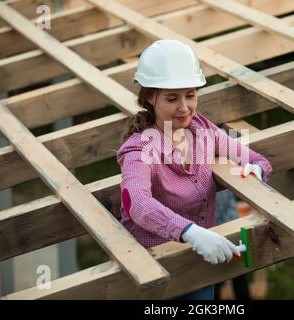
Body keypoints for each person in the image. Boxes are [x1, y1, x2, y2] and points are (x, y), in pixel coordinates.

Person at [116, 39, 273, 300]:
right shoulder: (140, 149)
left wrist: (256, 172)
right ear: (150, 97)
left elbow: (256, 159)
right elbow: (138, 204)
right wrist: (190, 232)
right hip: (156, 274)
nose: (184, 107)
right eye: (171, 98)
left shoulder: (201, 129)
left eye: (190, 95)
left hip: (200, 266)